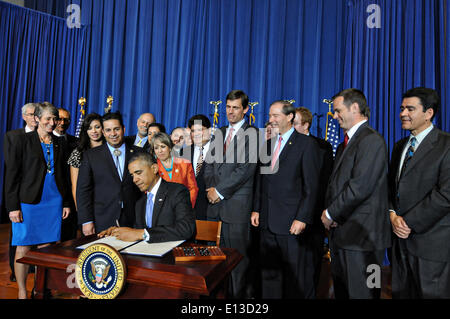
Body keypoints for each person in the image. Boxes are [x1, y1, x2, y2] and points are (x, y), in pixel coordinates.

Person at [321, 88, 391, 299]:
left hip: (365, 242)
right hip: (344, 238)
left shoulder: (371, 140)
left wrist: (330, 214)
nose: (334, 116)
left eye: (338, 110)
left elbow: (359, 187)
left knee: (366, 294)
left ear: (354, 107)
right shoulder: (347, 143)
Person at [251, 101, 321, 298]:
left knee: (293, 278)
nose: (271, 120)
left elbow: (311, 186)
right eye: (270, 116)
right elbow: (261, 181)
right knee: (269, 278)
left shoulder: (307, 144)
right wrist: (256, 209)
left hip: (291, 223)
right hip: (266, 222)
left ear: (289, 117)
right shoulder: (268, 144)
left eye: (275, 116)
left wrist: (302, 218)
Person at [4, 102, 72, 299]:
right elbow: (12, 176)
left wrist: (66, 202)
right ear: (37, 119)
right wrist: (13, 207)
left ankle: (40, 289)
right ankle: (23, 292)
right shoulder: (22, 141)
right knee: (23, 247)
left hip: (53, 202)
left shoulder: (60, 143)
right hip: (28, 203)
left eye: (55, 119)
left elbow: (64, 177)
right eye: (48, 119)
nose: (53, 123)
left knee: (48, 248)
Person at [389, 87, 450, 298]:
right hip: (398, 244)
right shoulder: (399, 146)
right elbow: (391, 188)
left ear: (429, 113)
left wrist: (408, 222)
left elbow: (445, 195)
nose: (403, 113)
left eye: (410, 109)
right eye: (402, 108)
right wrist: (392, 215)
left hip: (431, 246)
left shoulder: (446, 145)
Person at [203, 89, 258, 299]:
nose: (230, 111)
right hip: (214, 206)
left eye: (235, 107)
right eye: (228, 107)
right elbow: (208, 166)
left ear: (245, 109)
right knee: (213, 262)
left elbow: (245, 170)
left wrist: (220, 191)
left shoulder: (253, 134)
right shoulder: (219, 132)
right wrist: (211, 190)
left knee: (237, 262)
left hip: (236, 208)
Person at [98, 152, 195, 243]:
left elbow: (186, 229)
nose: (135, 180)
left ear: (154, 169)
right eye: (132, 175)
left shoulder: (177, 192)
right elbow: (137, 233)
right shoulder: (140, 202)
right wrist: (118, 232)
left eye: (139, 173)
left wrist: (142, 234)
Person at [76, 112, 141, 235]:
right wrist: (86, 221)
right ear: (104, 132)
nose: (113, 134)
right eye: (108, 130)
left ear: (123, 129)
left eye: (116, 129)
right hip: (102, 219)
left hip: (134, 219)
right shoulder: (91, 156)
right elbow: (83, 191)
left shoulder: (138, 153)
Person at [294, 106, 334, 290]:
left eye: (294, 123)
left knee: (311, 264)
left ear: (306, 125)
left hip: (314, 215)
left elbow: (324, 182)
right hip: (289, 216)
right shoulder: (283, 145)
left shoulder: (322, 147)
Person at [3, 103, 39, 283]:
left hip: (39, 195)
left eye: (37, 114)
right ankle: (14, 269)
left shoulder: (44, 137)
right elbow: (12, 170)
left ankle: (34, 268)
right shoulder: (13, 136)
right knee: (18, 238)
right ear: (24, 116)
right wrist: (12, 205)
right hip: (21, 194)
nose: (34, 118)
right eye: (31, 115)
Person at [67, 113, 105, 209]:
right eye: (90, 128)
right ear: (85, 131)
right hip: (87, 203)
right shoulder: (78, 153)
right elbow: (75, 186)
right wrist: (80, 210)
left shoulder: (111, 150)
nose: (94, 131)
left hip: (108, 202)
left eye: (97, 127)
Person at [152, 132, 198, 208]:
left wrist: (186, 207)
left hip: (183, 209)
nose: (160, 151)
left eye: (163, 147)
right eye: (156, 148)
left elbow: (193, 188)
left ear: (170, 147)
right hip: (160, 210)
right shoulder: (152, 167)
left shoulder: (185, 164)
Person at [181, 114, 212, 220]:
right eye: (193, 131)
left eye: (200, 130)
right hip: (187, 212)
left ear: (209, 130)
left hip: (211, 210)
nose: (196, 134)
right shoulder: (183, 153)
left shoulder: (221, 151)